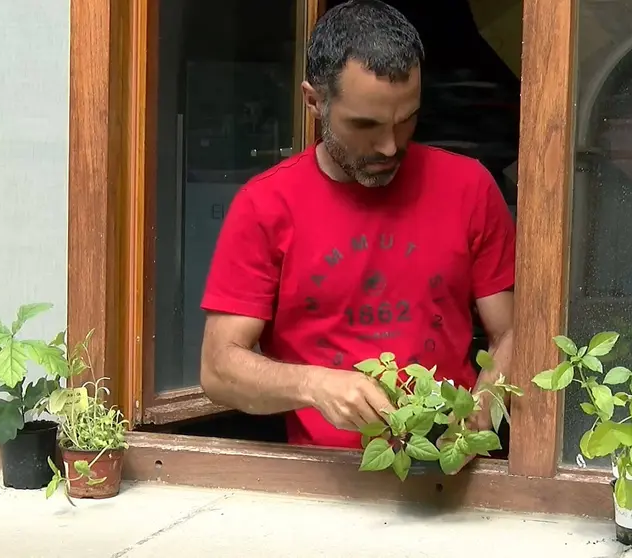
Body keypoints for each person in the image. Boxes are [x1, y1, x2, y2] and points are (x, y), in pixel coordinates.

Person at [199, 0, 516, 450]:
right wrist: (317, 386)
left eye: (406, 120)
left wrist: (479, 416)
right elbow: (218, 368)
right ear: (314, 101)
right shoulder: (265, 205)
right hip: (319, 481)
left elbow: (512, 333)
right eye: (365, 125)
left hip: (444, 469)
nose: (389, 146)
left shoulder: (472, 188)